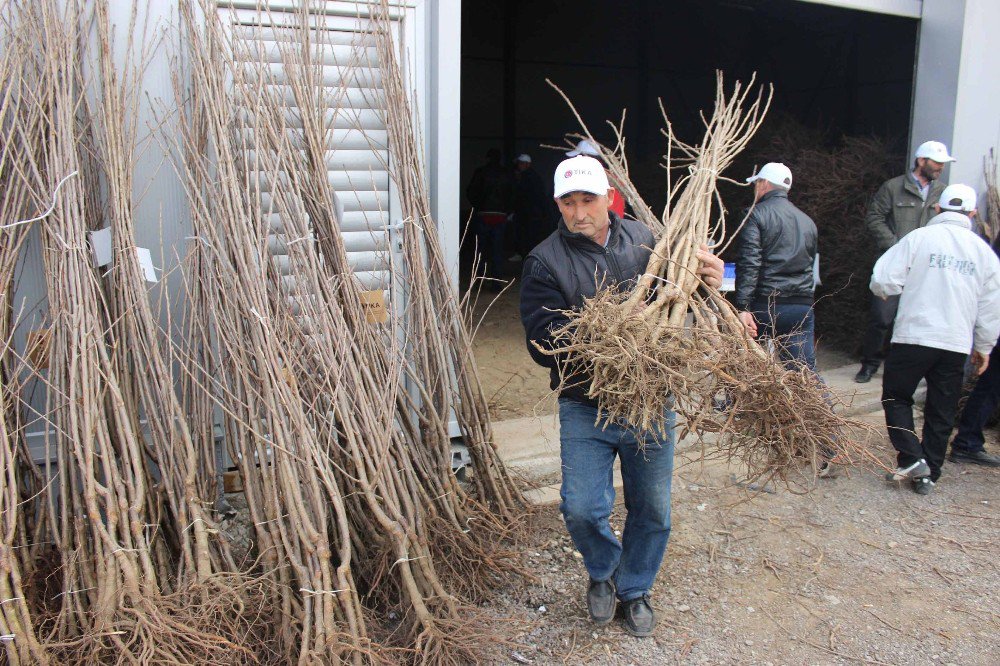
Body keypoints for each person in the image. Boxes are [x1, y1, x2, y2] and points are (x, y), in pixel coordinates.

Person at [519, 155, 724, 637]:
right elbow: (542, 342)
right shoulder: (543, 261)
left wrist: (717, 280)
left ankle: (634, 588)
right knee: (582, 507)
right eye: (568, 203)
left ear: (608, 199)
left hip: (651, 402)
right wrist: (613, 342)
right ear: (558, 206)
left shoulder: (650, 241)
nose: (578, 212)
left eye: (587, 200)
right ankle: (604, 570)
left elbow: (698, 293)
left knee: (652, 506)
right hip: (585, 404)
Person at [871, 184, 1000, 495]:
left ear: (937, 210)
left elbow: (882, 280)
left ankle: (912, 457)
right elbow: (991, 305)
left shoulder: (918, 238)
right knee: (941, 408)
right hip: (955, 342)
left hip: (914, 335)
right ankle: (930, 471)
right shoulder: (983, 253)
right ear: (972, 214)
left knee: (897, 397)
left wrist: (894, 291)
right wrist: (983, 347)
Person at [855, 141, 954, 383]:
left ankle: (904, 368)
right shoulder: (893, 187)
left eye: (943, 164)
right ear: (921, 161)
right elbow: (874, 217)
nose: (940, 168)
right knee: (881, 317)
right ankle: (869, 364)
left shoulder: (942, 191)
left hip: (926, 269)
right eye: (936, 162)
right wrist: (896, 246)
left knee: (918, 319)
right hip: (895, 264)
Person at [734, 163, 819, 372]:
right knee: (805, 376)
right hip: (801, 307)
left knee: (741, 369)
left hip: (766, 305)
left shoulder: (755, 214)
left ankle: (731, 404)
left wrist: (742, 307)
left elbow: (750, 262)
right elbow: (812, 268)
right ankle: (823, 405)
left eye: (756, 184)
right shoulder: (808, 221)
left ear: (763, 183)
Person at [466, 148, 513, 279]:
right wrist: (507, 210)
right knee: (497, 249)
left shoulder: (480, 172)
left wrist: (478, 206)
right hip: (500, 215)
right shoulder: (506, 174)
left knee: (480, 250)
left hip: (483, 214)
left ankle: (478, 278)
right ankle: (496, 281)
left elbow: (470, 191)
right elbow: (513, 193)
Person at [566, 139, 626, 219]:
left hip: (599, 227)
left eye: (578, 157)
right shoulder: (615, 179)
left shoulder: (586, 179)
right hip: (616, 226)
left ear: (586, 157)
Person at [511, 153, 550, 257]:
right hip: (532, 212)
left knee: (526, 235)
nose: (519, 166)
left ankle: (525, 255)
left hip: (528, 213)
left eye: (521, 163)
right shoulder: (533, 176)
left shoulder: (526, 177)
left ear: (527, 164)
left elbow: (523, 195)